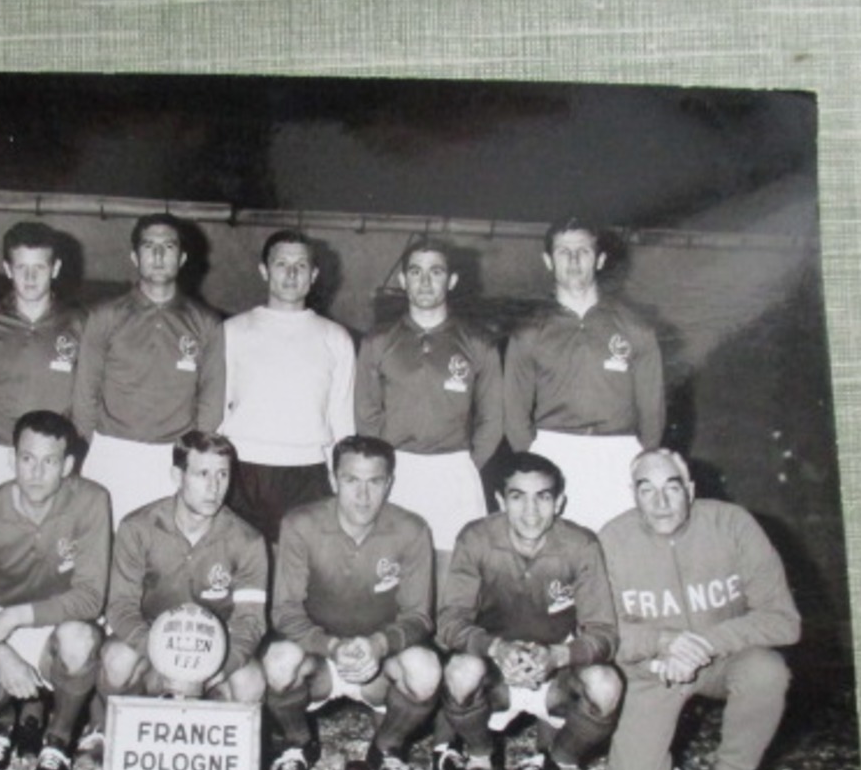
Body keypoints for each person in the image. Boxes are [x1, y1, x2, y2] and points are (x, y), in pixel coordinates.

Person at [600, 448, 801, 770]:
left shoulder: (733, 525)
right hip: (653, 668)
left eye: (671, 489)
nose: (660, 503)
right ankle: (665, 766)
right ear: (633, 494)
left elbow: (784, 621)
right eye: (647, 490)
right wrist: (662, 643)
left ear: (690, 489)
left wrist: (703, 644)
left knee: (766, 671)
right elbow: (600, 630)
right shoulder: (613, 538)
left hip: (720, 661)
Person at [436, 453, 622, 770]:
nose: (531, 510)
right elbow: (449, 623)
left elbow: (604, 633)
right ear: (501, 501)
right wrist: (497, 649)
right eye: (518, 496)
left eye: (544, 496)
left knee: (605, 684)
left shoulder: (581, 546)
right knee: (460, 671)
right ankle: (480, 756)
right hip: (495, 674)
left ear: (560, 503)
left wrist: (558, 656)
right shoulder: (476, 539)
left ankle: (564, 759)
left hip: (554, 674)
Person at [0, 411, 110, 770]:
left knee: (79, 639)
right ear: (11, 458)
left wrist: (15, 617)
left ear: (67, 465)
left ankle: (59, 738)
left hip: (56, 620)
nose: (35, 473)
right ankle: (0, 723)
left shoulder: (92, 501)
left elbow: (90, 598)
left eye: (49, 462)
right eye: (27, 459)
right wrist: (2, 654)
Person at [264, 436, 439, 770]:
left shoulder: (412, 529)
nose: (363, 496)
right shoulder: (301, 523)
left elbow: (419, 617)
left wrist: (378, 644)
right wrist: (330, 646)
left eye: (374, 482)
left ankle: (387, 748)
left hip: (379, 661)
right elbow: (284, 611)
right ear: (333, 480)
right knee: (278, 661)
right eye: (351, 481)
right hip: (320, 659)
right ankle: (298, 744)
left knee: (426, 671)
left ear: (389, 483)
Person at [95, 432, 267, 748]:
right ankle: (110, 732)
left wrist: (217, 668)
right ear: (178, 475)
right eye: (203, 474)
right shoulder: (137, 528)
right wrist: (162, 656)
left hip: (215, 652)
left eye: (223, 475)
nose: (215, 488)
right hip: (150, 647)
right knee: (116, 659)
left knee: (251, 681)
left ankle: (214, 750)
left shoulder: (249, 541)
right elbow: (119, 607)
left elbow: (251, 621)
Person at [504, 218, 664, 532]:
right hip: (555, 448)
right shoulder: (528, 333)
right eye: (564, 252)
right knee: (559, 554)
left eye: (584, 251)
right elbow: (514, 413)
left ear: (600, 259)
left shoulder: (636, 328)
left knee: (619, 552)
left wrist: (638, 458)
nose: (574, 260)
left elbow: (653, 411)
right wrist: (536, 462)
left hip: (619, 452)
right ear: (548, 261)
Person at [355, 236, 502, 569]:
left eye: (435, 272)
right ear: (402, 279)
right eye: (416, 272)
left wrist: (462, 463)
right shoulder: (378, 342)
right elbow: (366, 414)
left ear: (451, 281)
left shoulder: (478, 343)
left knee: (453, 579)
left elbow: (492, 420)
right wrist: (386, 465)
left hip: (454, 470)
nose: (424, 281)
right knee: (391, 574)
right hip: (396, 472)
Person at [73, 214, 225, 526]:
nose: (157, 255)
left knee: (164, 555)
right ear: (134, 256)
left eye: (167, 247)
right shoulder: (104, 316)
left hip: (170, 457)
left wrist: (193, 460)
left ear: (182, 258)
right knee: (106, 550)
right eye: (149, 246)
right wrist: (80, 454)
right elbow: (85, 393)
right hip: (110, 452)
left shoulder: (206, 323)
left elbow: (211, 400)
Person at [219, 230, 355, 543]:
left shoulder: (336, 338)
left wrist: (342, 476)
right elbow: (216, 409)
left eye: (301, 266)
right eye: (282, 264)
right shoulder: (232, 332)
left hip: (309, 474)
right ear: (264, 271)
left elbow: (342, 417)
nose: (291, 274)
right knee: (241, 572)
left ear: (314, 275)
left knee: (298, 575)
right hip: (242, 471)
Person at [0, 222, 87, 506]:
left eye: (40, 268)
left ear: (55, 268)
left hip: (50, 456)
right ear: (8, 269)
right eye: (21, 268)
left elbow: (86, 396)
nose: (30, 278)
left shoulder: (79, 324)